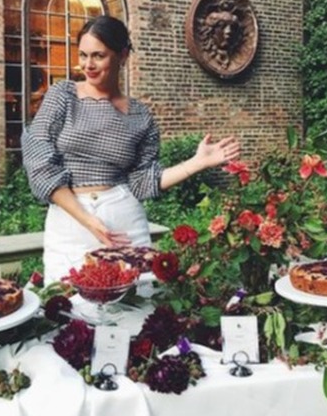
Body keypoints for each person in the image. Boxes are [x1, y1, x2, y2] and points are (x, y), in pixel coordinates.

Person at [22, 15, 241, 283]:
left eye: (98, 56)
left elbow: (143, 182)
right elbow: (39, 162)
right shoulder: (62, 96)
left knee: (134, 304)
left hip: (125, 222)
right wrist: (89, 221)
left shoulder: (140, 116)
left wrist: (197, 162)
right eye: (83, 55)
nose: (87, 65)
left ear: (122, 55)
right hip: (70, 223)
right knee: (69, 305)